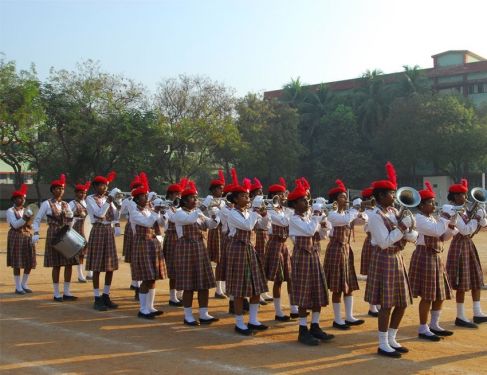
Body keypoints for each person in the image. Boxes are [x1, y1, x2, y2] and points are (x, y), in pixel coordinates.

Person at [364, 162, 418, 358]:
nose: (394, 197)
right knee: (386, 304)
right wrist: (402, 229)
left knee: (402, 302)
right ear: (380, 196)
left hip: (397, 258)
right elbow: (384, 242)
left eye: (394, 193)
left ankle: (392, 338)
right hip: (385, 258)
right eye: (390, 194)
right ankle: (382, 343)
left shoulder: (394, 212)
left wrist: (410, 230)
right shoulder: (375, 216)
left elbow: (409, 236)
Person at [288, 179, 334, 346]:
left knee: (317, 291)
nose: (307, 202)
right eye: (302, 200)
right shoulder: (294, 219)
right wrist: (316, 217)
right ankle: (302, 329)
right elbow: (308, 231)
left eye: (306, 199)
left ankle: (315, 325)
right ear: (294, 203)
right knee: (303, 293)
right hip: (302, 258)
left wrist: (324, 225)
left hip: (313, 256)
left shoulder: (308, 217)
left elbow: (322, 236)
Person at [409, 181, 456, 341]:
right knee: (427, 295)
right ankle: (423, 328)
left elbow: (443, 237)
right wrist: (445, 218)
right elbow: (436, 231)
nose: (433, 205)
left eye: (433, 202)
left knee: (439, 294)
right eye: (429, 202)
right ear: (421, 206)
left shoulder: (433, 218)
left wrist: (452, 224)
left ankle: (434, 324)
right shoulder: (419, 219)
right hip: (425, 256)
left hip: (436, 257)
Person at [226, 169, 270, 335]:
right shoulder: (232, 214)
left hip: (249, 250)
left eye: (247, 196)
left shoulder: (249, 213)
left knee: (256, 286)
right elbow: (247, 226)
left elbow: (264, 227)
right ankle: (239, 322)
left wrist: (265, 215)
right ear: (236, 199)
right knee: (239, 288)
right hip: (237, 250)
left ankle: (253, 319)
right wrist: (256, 213)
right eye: (244, 196)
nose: (248, 198)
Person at [173, 180, 220, 326]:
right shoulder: (179, 213)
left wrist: (215, 215)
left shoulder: (197, 213)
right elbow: (189, 220)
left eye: (196, 197)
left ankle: (203, 313)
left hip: (199, 249)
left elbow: (211, 225)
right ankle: (188, 315)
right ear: (185, 201)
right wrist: (202, 208)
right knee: (189, 285)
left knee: (203, 284)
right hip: (186, 249)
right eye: (193, 198)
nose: (196, 200)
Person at [445, 179, 487, 328]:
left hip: (468, 245)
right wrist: (476, 217)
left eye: (465, 194)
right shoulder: (450, 209)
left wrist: (482, 216)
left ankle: (478, 313)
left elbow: (483, 226)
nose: (466, 197)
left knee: (476, 279)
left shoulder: (464, 209)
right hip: (459, 247)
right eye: (462, 194)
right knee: (461, 282)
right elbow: (465, 230)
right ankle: (460, 316)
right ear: (455, 196)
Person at [324, 180, 364, 330]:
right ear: (335, 200)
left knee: (348, 285)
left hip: (346, 250)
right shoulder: (332, 214)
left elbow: (361, 221)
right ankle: (337, 319)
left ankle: (349, 316)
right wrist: (355, 209)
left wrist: (362, 211)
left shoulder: (346, 213)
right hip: (336, 250)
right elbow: (346, 220)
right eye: (342, 197)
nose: (345, 199)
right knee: (337, 287)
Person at [33, 174, 78, 302]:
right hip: (53, 233)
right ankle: (57, 292)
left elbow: (71, 222)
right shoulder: (46, 204)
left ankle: (67, 292)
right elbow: (37, 219)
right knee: (56, 264)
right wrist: (36, 233)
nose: (60, 190)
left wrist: (70, 220)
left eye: (62, 188)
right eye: (57, 188)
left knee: (69, 263)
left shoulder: (66, 204)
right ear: (52, 190)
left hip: (66, 232)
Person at [129, 174, 168, 319]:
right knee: (146, 277)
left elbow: (162, 224)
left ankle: (150, 307)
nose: (147, 199)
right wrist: (156, 211)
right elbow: (147, 223)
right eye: (144, 197)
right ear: (137, 199)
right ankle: (142, 308)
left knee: (153, 277)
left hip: (153, 244)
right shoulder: (134, 212)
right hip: (142, 245)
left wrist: (163, 213)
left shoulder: (148, 210)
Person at [263, 178, 298, 321]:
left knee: (290, 278)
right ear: (273, 196)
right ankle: (278, 312)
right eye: (279, 194)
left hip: (284, 245)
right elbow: (284, 221)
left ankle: (294, 308)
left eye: (283, 194)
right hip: (275, 244)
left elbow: (290, 228)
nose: (283, 197)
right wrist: (290, 209)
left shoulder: (285, 209)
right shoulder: (270, 210)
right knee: (278, 280)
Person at [85, 171, 120, 311]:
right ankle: (97, 297)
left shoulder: (108, 199)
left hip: (108, 231)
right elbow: (99, 214)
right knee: (97, 266)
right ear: (95, 186)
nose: (104, 188)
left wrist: (118, 202)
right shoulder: (90, 198)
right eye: (101, 185)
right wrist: (109, 201)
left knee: (109, 265)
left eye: (105, 185)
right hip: (98, 230)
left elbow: (116, 214)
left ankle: (106, 295)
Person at [7, 184, 36, 294]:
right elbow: (15, 225)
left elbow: (31, 225)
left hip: (27, 236)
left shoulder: (26, 210)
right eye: (20, 198)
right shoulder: (10, 211)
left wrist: (35, 231)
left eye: (23, 198)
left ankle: (24, 284)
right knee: (17, 262)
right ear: (14, 199)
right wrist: (25, 218)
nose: (22, 200)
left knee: (29, 261)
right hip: (16, 237)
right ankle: (18, 286)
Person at [120, 173, 144, 297]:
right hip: (131, 227)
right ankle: (135, 282)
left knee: (139, 256)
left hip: (143, 227)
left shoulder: (145, 199)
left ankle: (137, 283)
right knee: (132, 256)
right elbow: (120, 212)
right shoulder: (127, 200)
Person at [204, 170, 227, 299]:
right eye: (219, 189)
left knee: (222, 260)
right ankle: (217, 288)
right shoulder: (209, 200)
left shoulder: (223, 202)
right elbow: (214, 213)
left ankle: (220, 288)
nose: (221, 191)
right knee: (217, 260)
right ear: (213, 190)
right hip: (214, 230)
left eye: (222, 189)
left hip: (222, 231)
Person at [162, 179, 185, 306]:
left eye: (180, 194)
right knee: (173, 268)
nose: (178, 196)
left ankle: (180, 294)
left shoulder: (181, 207)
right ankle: (172, 296)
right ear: (170, 195)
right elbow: (170, 219)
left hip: (181, 238)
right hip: (171, 237)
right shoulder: (167, 207)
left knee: (182, 267)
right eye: (176, 194)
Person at [358, 186, 379, 317]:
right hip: (372, 242)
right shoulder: (367, 212)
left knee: (380, 276)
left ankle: (378, 304)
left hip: (381, 243)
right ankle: (372, 306)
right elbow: (364, 221)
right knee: (372, 276)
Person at [69, 180, 90, 283]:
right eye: (81, 192)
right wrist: (75, 217)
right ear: (76, 193)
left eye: (85, 193)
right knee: (79, 252)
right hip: (77, 228)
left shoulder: (85, 203)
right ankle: (80, 274)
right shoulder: (72, 203)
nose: (83, 194)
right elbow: (67, 216)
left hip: (85, 228)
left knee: (86, 251)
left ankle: (89, 272)